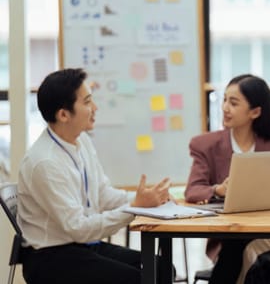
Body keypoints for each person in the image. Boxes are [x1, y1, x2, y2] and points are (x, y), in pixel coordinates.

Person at [18, 68, 174, 284]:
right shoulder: (45, 162)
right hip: (50, 257)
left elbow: (102, 195)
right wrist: (136, 207)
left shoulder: (81, 142)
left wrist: (144, 198)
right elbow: (79, 228)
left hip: (81, 245)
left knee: (162, 268)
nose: (95, 108)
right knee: (140, 278)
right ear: (63, 115)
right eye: (87, 102)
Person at [184, 74, 270, 284]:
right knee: (243, 250)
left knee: (243, 250)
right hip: (230, 236)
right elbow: (193, 191)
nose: (225, 107)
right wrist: (218, 190)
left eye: (233, 102)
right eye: (224, 100)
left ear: (255, 112)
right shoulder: (205, 145)